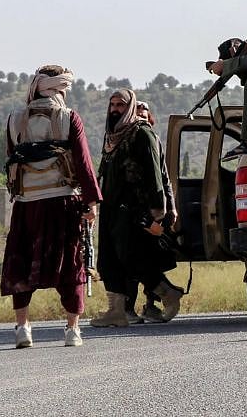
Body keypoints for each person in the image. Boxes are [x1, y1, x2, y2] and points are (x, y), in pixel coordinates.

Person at [1, 64, 102, 348]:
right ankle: (72, 330)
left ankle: (23, 328)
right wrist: (92, 201)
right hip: (63, 202)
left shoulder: (14, 119)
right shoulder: (69, 118)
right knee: (71, 266)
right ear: (60, 89)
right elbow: (83, 163)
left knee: (21, 264)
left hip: (27, 205)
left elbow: (11, 157)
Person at [91, 89, 183, 327]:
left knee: (133, 259)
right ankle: (116, 311)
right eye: (112, 104)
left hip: (133, 210)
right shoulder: (111, 136)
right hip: (110, 208)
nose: (115, 109)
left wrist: (157, 214)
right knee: (109, 260)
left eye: (120, 105)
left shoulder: (142, 133)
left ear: (129, 107)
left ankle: (168, 294)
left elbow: (156, 175)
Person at [122, 101, 183, 324]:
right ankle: (128, 308)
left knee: (151, 259)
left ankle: (151, 306)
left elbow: (164, 178)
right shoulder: (124, 141)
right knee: (133, 259)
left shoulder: (152, 140)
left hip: (153, 211)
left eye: (144, 114)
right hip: (134, 211)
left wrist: (171, 208)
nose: (140, 117)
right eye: (136, 113)